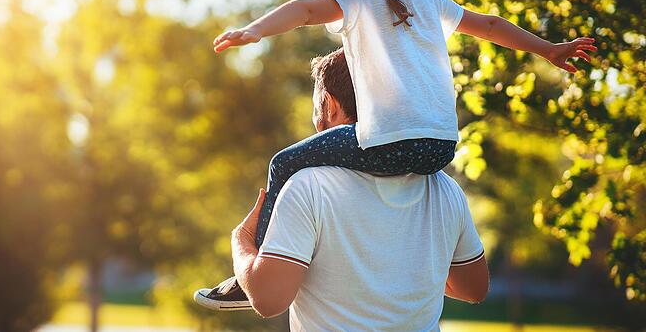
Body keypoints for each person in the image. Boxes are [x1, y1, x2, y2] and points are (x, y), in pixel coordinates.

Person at [196, 0, 596, 308]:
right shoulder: (433, 2)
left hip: (388, 142)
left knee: (283, 163)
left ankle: (255, 271)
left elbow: (304, 10)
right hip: (441, 148)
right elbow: (491, 26)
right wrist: (548, 49)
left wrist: (254, 30)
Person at [199, 49, 489, 330]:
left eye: (316, 108)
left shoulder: (307, 186)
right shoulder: (444, 188)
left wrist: (242, 242)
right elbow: (474, 288)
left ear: (328, 103)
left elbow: (267, 300)